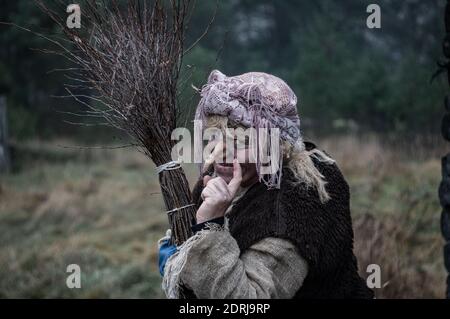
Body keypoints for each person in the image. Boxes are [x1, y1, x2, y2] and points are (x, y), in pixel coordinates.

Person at [158, 70, 374, 299]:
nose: (220, 152)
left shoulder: (296, 203)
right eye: (214, 137)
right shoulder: (220, 177)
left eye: (239, 142)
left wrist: (209, 228)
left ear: (276, 146)